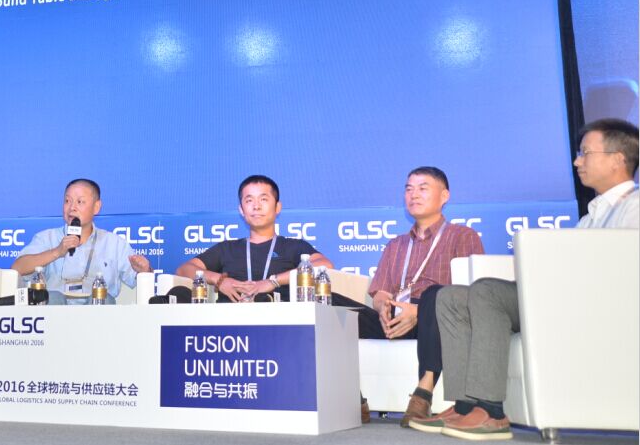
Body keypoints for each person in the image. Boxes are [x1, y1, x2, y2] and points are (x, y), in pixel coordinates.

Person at [410, 119, 639, 440]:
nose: (577, 162)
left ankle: (490, 411)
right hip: (563, 297)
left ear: (617, 159)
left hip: (593, 308)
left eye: (585, 153)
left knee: (487, 291)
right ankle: (465, 405)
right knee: (450, 297)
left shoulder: (634, 208)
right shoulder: (591, 216)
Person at [332, 167, 484, 426]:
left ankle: (423, 394)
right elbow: (380, 292)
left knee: (434, 295)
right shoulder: (396, 244)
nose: (414, 194)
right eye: (409, 189)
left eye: (423, 188)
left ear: (444, 196)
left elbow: (470, 294)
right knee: (329, 305)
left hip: (438, 319)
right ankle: (352, 398)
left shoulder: (463, 236)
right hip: (394, 316)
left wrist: (419, 311)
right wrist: (383, 307)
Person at [176, 174, 333, 303]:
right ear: (241, 210)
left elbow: (325, 265)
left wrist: (273, 281)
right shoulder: (227, 248)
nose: (256, 206)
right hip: (229, 323)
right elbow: (184, 269)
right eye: (249, 200)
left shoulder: (293, 246)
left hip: (281, 322)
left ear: (277, 207)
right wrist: (220, 280)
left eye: (263, 199)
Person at [11, 179, 152, 304]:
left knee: (104, 299)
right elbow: (17, 269)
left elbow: (139, 280)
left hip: (98, 315)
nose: (72, 208)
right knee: (52, 298)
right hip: (54, 315)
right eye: (67, 201)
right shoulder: (47, 238)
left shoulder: (114, 243)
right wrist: (57, 252)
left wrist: (145, 271)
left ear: (96, 207)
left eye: (80, 202)